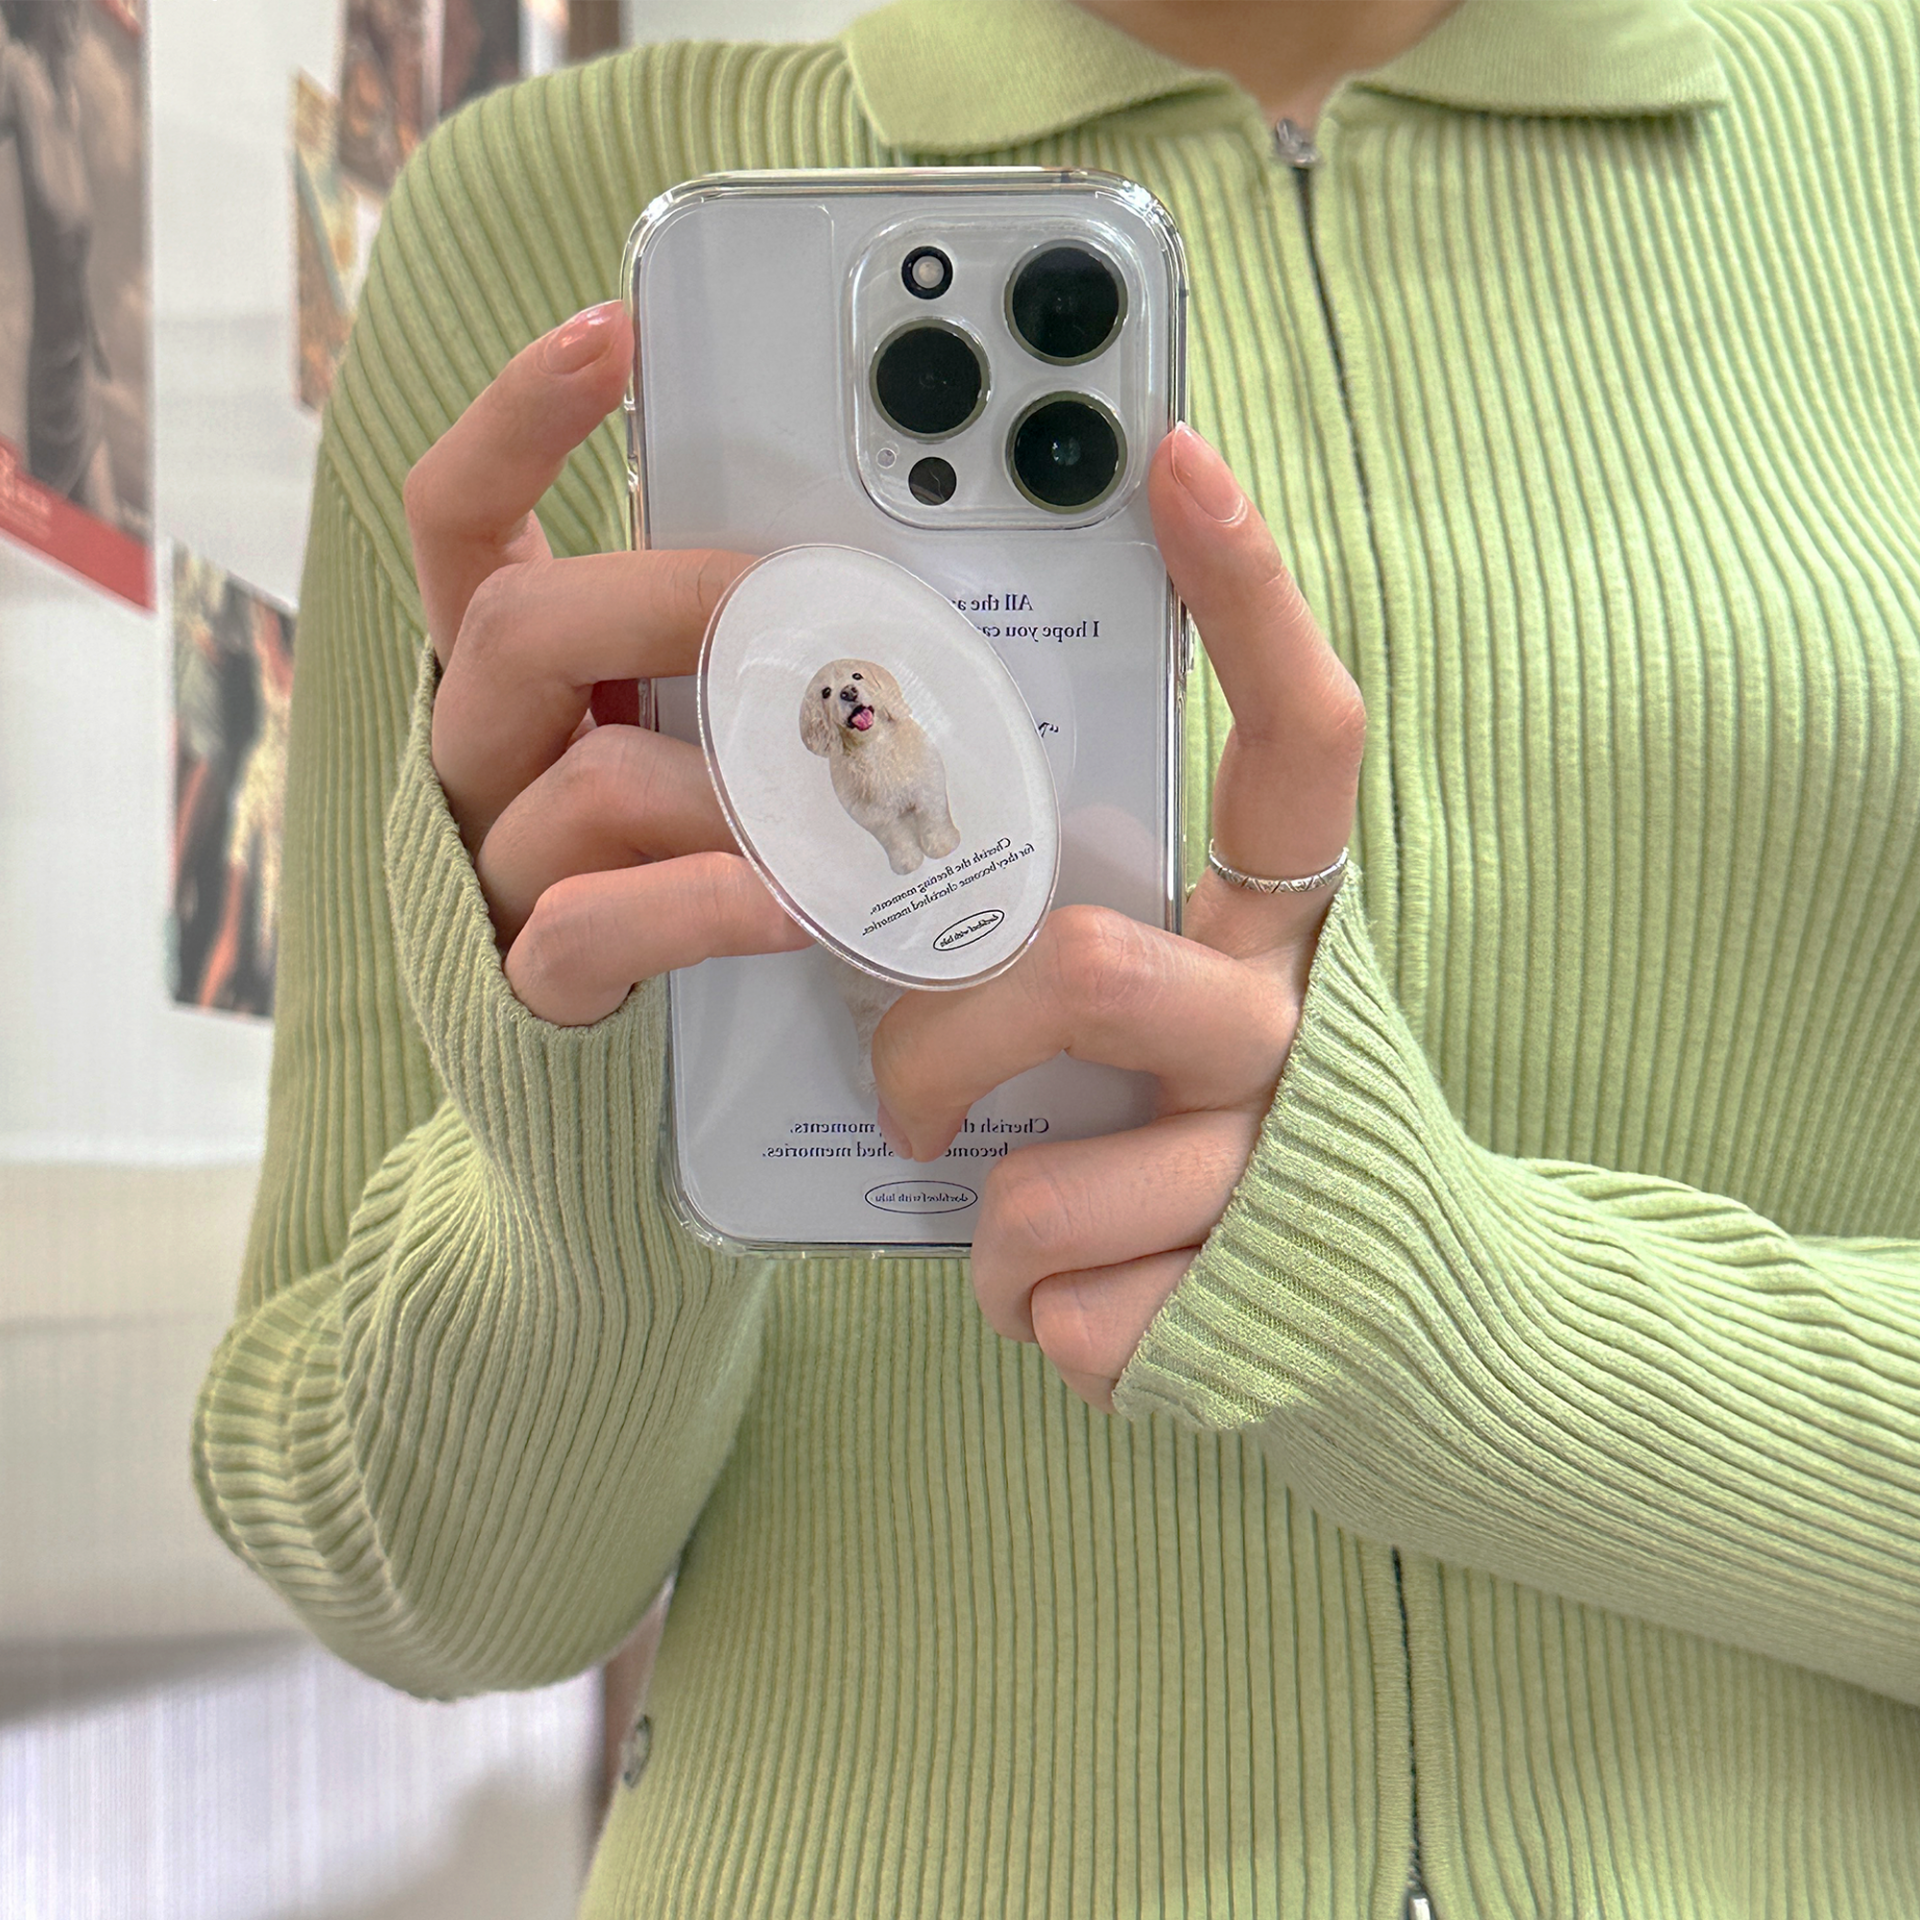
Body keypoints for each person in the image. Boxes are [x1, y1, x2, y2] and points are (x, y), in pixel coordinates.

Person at [192, 0, 1920, 1914]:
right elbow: (423, 1581)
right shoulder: (551, 219)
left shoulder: (1889, 127)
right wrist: (594, 1129)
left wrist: (1436, 1305)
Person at [0, 0, 119, 521]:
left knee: (108, 531)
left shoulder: (67, 100)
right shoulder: (17, 78)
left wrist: (95, 337)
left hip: (81, 367)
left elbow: (72, 247)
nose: (77, 15)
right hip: (46, 375)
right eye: (66, 4)